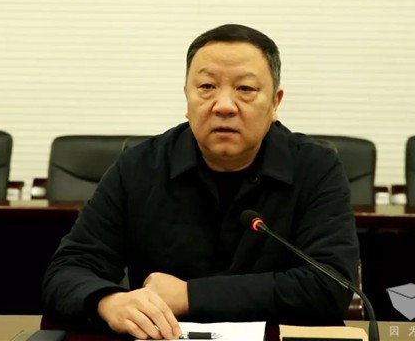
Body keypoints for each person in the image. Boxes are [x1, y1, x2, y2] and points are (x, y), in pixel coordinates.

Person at [42, 24, 360, 340]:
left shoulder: (315, 167)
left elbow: (331, 285)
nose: (224, 106)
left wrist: (189, 295)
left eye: (245, 89)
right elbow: (67, 270)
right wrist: (108, 302)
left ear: (275, 103)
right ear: (187, 97)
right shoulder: (139, 166)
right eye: (207, 86)